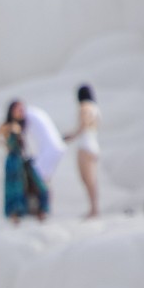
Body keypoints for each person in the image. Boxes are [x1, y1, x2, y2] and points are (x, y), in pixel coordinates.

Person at [0, 101, 49, 223]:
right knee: (15, 187)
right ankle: (15, 213)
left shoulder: (23, 125)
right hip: (14, 160)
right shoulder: (8, 126)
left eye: (21, 109)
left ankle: (39, 211)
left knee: (36, 184)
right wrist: (4, 144)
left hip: (24, 159)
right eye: (17, 109)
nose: (20, 112)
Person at [61, 84, 102, 219]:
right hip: (94, 145)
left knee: (86, 178)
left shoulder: (84, 107)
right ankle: (94, 207)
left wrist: (70, 136)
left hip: (85, 146)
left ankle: (93, 209)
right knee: (92, 178)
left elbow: (83, 125)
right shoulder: (95, 108)